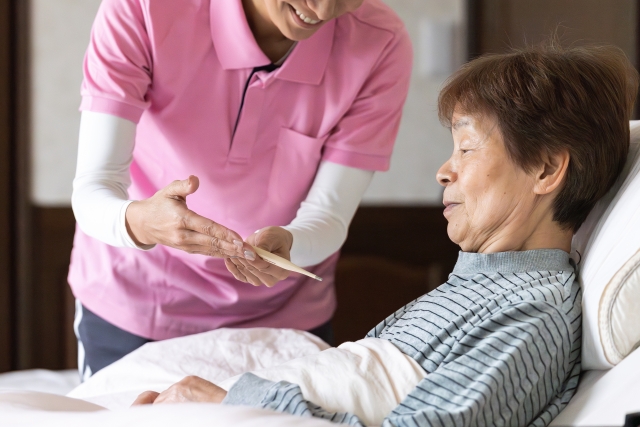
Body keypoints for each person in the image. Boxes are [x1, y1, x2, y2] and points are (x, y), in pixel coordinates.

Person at [132, 42, 638, 427]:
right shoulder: (483, 285)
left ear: (546, 170)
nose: (444, 170)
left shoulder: (534, 316)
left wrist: (232, 403)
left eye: (466, 148)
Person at [69, 0, 413, 379]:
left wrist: (291, 243)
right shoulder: (144, 8)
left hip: (283, 319)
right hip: (136, 301)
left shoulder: (379, 42)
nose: (325, 7)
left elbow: (328, 216)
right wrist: (144, 223)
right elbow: (95, 187)